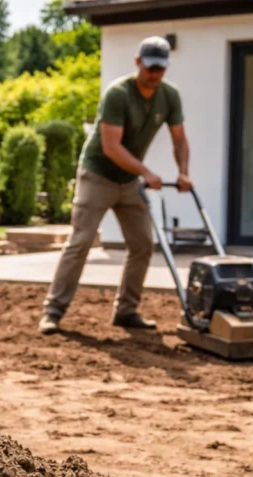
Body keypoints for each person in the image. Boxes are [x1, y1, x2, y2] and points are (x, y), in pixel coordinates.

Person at [39, 36, 192, 334]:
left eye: (160, 68)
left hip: (129, 180)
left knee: (142, 245)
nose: (155, 74)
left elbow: (179, 138)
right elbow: (111, 147)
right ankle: (53, 312)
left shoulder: (169, 96)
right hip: (97, 175)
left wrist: (183, 172)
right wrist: (146, 172)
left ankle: (126, 310)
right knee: (80, 242)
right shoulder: (118, 94)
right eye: (150, 68)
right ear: (138, 62)